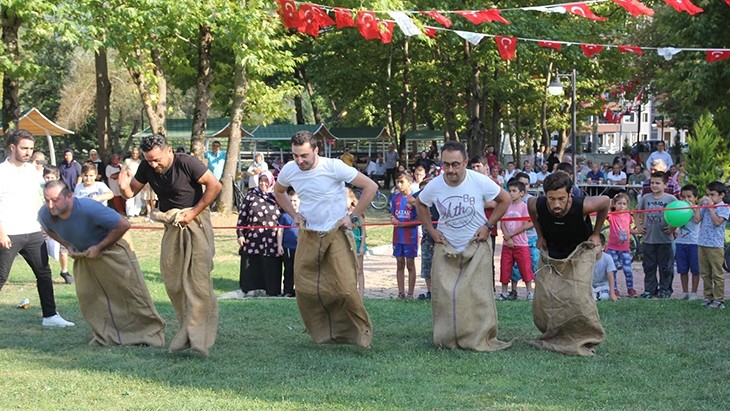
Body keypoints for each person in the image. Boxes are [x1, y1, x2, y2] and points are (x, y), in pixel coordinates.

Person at [118, 134, 221, 356]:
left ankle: (200, 338)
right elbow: (129, 193)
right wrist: (123, 185)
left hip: (196, 223)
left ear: (169, 150)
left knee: (198, 280)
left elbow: (215, 186)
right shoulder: (147, 167)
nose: (153, 165)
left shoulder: (186, 162)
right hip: (171, 226)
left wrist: (192, 213)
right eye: (149, 160)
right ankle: (188, 330)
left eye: (157, 159)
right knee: (174, 282)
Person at [273, 130, 376, 348]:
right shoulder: (289, 170)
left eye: (304, 156)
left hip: (336, 233)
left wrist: (353, 216)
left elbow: (371, 187)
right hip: (309, 235)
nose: (299, 161)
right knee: (306, 288)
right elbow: (279, 192)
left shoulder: (334, 166)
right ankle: (324, 335)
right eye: (295, 156)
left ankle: (359, 334)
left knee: (346, 289)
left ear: (316, 150)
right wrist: (294, 214)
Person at [39, 180, 166, 346]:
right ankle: (108, 335)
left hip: (112, 249)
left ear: (70, 196)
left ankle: (149, 334)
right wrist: (67, 244)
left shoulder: (88, 208)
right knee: (91, 297)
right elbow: (47, 228)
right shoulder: (45, 213)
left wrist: (99, 247)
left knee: (129, 293)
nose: (50, 205)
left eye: (55, 200)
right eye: (46, 199)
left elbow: (123, 224)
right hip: (85, 255)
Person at [415, 141, 512, 351]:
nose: (450, 170)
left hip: (476, 245)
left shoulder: (480, 181)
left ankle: (478, 338)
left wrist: (488, 225)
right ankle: (448, 338)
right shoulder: (434, 185)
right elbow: (421, 203)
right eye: (446, 164)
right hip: (446, 245)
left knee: (477, 295)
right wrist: (431, 231)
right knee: (446, 295)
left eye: (456, 164)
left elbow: (505, 199)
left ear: (465, 162)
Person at [527, 172, 610, 355]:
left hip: (579, 251)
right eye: (552, 199)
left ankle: (585, 335)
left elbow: (605, 201)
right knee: (545, 295)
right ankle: (554, 333)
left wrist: (596, 233)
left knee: (577, 296)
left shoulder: (583, 205)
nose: (556, 204)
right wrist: (540, 235)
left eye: (561, 199)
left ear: (570, 193)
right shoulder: (538, 203)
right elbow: (530, 207)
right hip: (553, 250)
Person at [0, 129, 75, 327]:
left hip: (33, 232)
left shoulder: (33, 172)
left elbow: (38, 201)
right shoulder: (1, 172)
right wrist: (1, 232)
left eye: (31, 149)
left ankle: (50, 316)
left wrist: (46, 223)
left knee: (44, 273)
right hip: (8, 233)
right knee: (1, 276)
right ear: (12, 147)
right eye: (24, 148)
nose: (28, 152)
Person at [237, 171, 282, 297]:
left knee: (270, 265)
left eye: (266, 181)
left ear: (271, 181)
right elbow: (242, 217)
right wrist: (240, 234)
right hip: (253, 238)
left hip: (271, 239)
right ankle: (251, 288)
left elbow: (284, 216)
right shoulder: (251, 196)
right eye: (261, 180)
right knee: (252, 264)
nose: (263, 183)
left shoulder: (276, 197)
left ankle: (271, 290)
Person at [635, 171, 677, 299]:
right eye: (652, 183)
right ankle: (650, 290)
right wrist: (639, 226)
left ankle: (665, 290)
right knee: (649, 266)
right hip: (649, 239)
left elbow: (680, 215)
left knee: (666, 267)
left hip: (665, 239)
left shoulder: (671, 199)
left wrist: (673, 227)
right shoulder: (646, 198)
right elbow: (636, 212)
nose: (654, 185)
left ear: (665, 184)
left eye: (657, 183)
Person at [498, 180, 534, 301]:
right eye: (510, 191)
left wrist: (510, 235)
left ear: (522, 193)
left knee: (525, 268)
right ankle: (504, 292)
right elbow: (502, 222)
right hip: (507, 244)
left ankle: (529, 291)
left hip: (521, 244)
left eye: (514, 191)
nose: (511, 193)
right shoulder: (506, 206)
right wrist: (506, 237)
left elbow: (525, 225)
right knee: (505, 268)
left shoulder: (524, 207)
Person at [697, 181, 729, 309]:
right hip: (702, 243)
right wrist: (700, 206)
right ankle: (708, 297)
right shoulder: (706, 206)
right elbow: (697, 219)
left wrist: (710, 208)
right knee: (705, 273)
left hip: (715, 246)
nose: (709, 197)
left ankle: (719, 299)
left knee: (717, 274)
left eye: (712, 194)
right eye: (708, 194)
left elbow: (717, 222)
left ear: (721, 195)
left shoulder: (724, 207)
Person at [391, 171, 419, 299]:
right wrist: (393, 219)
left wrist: (405, 224)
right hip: (397, 236)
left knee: (410, 264)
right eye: (397, 182)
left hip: (410, 236)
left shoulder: (414, 200)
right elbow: (393, 215)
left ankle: (410, 293)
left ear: (410, 183)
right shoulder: (395, 198)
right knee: (399, 263)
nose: (399, 184)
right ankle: (401, 292)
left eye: (402, 182)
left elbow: (419, 219)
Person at [605, 193, 638, 297]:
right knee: (613, 270)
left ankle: (630, 289)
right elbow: (604, 213)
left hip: (625, 248)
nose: (622, 206)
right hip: (612, 248)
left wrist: (639, 231)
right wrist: (610, 203)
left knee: (627, 270)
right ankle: (614, 289)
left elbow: (629, 230)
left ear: (627, 205)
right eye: (619, 203)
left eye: (624, 204)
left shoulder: (628, 215)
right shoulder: (611, 215)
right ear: (615, 204)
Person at [675, 184, 701, 301]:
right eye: (683, 197)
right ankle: (685, 292)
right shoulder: (679, 209)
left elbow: (696, 220)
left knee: (695, 269)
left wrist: (693, 209)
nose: (686, 199)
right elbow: (674, 223)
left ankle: (694, 292)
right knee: (682, 269)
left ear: (695, 197)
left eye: (689, 196)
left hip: (694, 243)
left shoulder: (698, 209)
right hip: (681, 242)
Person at [277, 188, 299, 298]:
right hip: (288, 247)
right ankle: (287, 291)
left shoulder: (303, 215)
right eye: (290, 201)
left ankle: (299, 291)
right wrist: (280, 245)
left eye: (295, 201)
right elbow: (280, 230)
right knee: (289, 270)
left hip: (300, 247)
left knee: (299, 270)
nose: (293, 203)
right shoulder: (284, 216)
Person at [346, 188, 366, 297]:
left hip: (357, 243)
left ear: (351, 199)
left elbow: (363, 230)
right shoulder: (342, 213)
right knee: (349, 270)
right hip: (346, 244)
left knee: (359, 269)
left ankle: (361, 294)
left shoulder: (358, 213)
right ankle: (351, 292)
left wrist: (362, 246)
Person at [593, 234, 618, 301]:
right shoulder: (588, 259)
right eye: (592, 246)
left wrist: (612, 293)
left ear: (603, 247)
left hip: (603, 286)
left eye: (597, 245)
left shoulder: (607, 258)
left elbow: (610, 276)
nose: (594, 248)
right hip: (591, 286)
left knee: (604, 297)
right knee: (591, 298)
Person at [124, 148, 143, 217]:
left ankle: (137, 212)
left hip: (139, 181)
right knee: (130, 197)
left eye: (136, 154)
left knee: (138, 197)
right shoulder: (127, 161)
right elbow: (124, 170)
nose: (135, 155)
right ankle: (129, 213)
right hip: (129, 181)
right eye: (133, 153)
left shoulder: (141, 162)